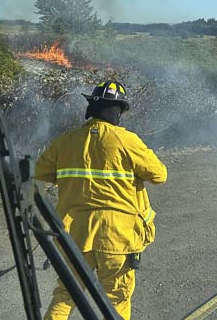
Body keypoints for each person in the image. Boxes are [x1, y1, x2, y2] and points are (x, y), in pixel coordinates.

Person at [35, 80, 168, 320]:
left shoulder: (65, 141)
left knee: (66, 293)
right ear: (118, 111)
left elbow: (40, 171)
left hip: (74, 235)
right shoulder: (126, 140)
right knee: (116, 299)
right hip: (116, 236)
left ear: (92, 108)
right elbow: (159, 175)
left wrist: (72, 181)